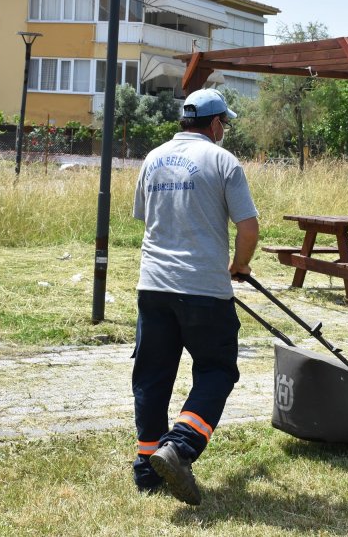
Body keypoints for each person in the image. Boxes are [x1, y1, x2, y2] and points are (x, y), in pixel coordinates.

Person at [130, 88, 259, 505]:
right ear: (217, 123)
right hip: (203, 288)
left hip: (153, 286)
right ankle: (180, 446)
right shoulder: (223, 161)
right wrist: (239, 265)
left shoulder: (152, 159)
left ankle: (147, 468)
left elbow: (145, 219)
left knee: (152, 375)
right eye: (226, 124)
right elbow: (248, 227)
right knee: (217, 370)